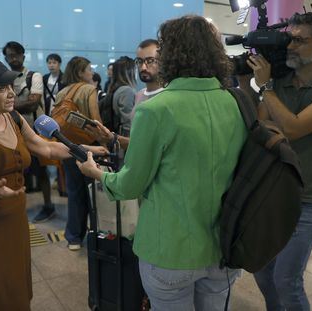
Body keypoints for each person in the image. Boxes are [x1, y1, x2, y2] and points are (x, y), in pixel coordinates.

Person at [77, 15, 247, 311]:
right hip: (224, 244)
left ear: (173, 54)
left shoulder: (156, 109)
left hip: (170, 250)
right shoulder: (237, 102)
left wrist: (98, 175)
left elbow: (131, 184)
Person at [0, 57, 106, 310]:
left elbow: (46, 149)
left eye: (11, 87)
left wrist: (84, 149)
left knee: (13, 285)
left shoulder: (14, 118)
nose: (11, 94)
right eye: (2, 88)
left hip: (13, 219)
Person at [245, 12, 312, 311]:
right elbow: (263, 128)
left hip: (307, 197)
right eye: (289, 38)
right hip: (271, 190)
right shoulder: (281, 81)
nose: (290, 46)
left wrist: (266, 89)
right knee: (262, 269)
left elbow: (295, 128)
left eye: (300, 40)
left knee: (287, 279)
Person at [2, 41, 54, 223]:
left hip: (34, 130)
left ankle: (48, 206)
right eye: (9, 55)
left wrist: (9, 105)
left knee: (41, 170)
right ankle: (17, 207)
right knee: (16, 170)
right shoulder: (5, 79)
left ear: (23, 56)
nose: (13, 58)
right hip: (12, 131)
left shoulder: (34, 76)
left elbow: (33, 102)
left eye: (16, 54)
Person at [54, 56, 102, 250]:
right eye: (89, 69)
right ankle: (96, 236)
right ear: (81, 72)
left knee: (74, 192)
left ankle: (73, 237)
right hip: (90, 147)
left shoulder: (62, 92)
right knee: (93, 193)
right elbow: (96, 120)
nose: (91, 72)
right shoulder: (89, 89)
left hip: (67, 146)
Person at [134, 39, 164, 108]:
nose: (143, 67)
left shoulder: (168, 96)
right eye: (139, 61)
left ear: (161, 62)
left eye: (150, 61)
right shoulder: (138, 95)